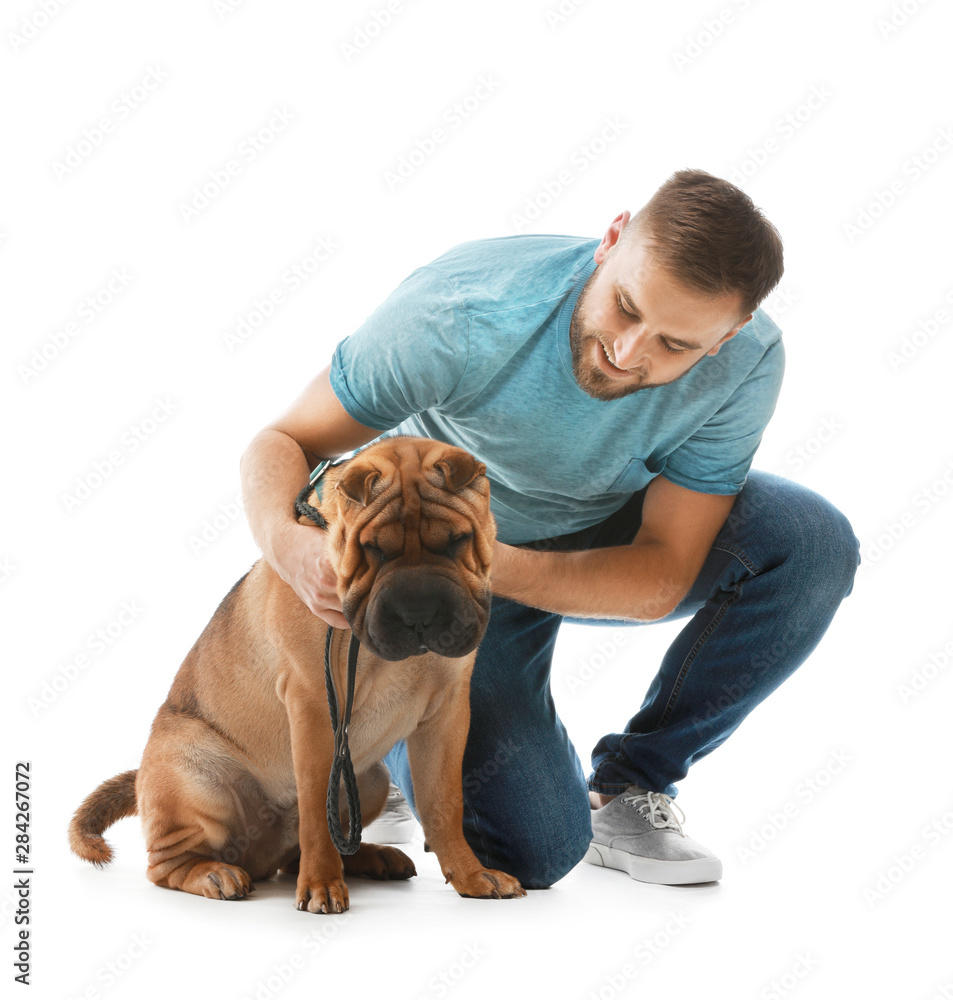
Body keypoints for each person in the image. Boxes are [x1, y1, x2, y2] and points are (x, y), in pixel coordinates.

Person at [239, 169, 860, 890]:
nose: (628, 354)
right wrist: (290, 547)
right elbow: (283, 441)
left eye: (675, 345)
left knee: (811, 545)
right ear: (611, 239)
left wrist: (486, 564)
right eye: (625, 308)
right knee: (532, 850)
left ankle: (629, 785)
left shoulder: (749, 363)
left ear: (730, 332)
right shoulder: (459, 312)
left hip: (562, 541)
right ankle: (398, 741)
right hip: (434, 568)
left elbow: (662, 572)